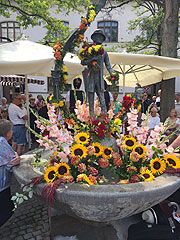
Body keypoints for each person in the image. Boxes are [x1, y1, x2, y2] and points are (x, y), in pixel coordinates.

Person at [81, 29, 114, 116]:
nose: (99, 38)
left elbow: (108, 65)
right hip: (91, 77)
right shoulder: (89, 51)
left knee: (102, 98)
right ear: (94, 38)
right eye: (97, 36)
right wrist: (90, 61)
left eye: (100, 37)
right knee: (91, 99)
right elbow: (82, 62)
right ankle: (92, 117)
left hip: (99, 78)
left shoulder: (104, 53)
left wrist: (113, 74)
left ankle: (104, 117)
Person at [0, 119, 20, 227]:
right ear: (8, 133)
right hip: (1, 186)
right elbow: (13, 159)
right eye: (11, 130)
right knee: (8, 209)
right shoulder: (2, 142)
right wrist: (17, 157)